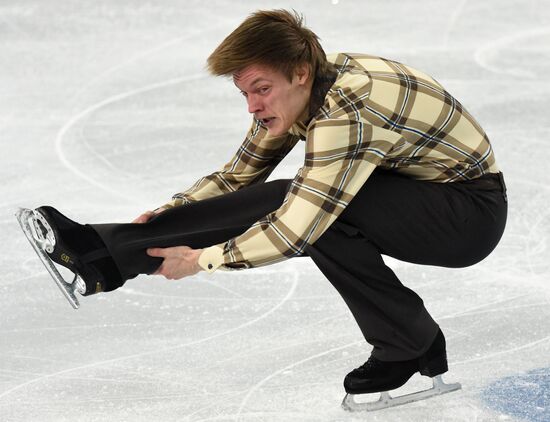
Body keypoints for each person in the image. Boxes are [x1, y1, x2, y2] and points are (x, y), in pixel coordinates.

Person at [25, 9, 507, 409]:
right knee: (319, 213)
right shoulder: (305, 83)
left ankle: (105, 255)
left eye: (260, 89)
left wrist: (203, 260)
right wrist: (167, 213)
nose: (253, 107)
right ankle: (409, 343)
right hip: (411, 193)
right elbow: (240, 174)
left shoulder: (348, 112)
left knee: (306, 206)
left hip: (466, 216)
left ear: (298, 73)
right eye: (245, 93)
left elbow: (294, 226)